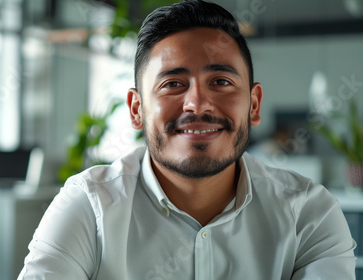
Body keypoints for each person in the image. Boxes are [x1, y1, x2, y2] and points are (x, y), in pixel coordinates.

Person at [18, 1, 356, 279]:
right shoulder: (89, 209)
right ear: (137, 109)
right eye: (173, 84)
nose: (197, 104)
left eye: (221, 81)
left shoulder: (310, 215)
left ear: (253, 105)